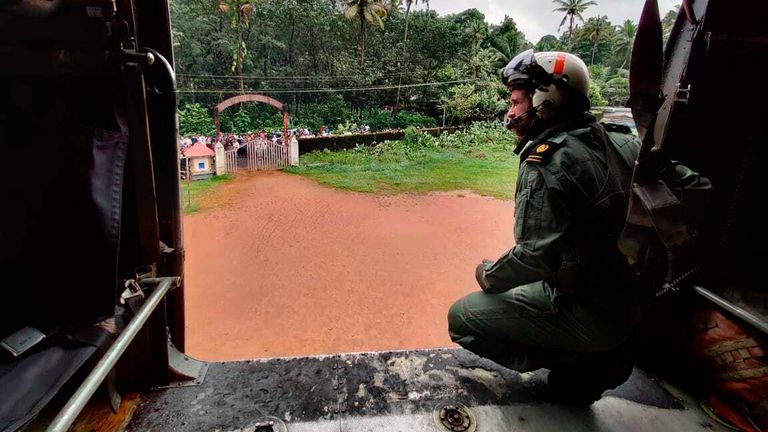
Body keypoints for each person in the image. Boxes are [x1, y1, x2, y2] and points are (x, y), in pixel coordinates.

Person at [447, 50, 652, 404]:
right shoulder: (622, 140)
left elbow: (531, 258)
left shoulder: (548, 161)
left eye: (515, 102)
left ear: (546, 100)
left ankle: (572, 357)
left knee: (462, 317)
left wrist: (487, 275)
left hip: (589, 309)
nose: (510, 112)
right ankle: (593, 356)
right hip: (631, 302)